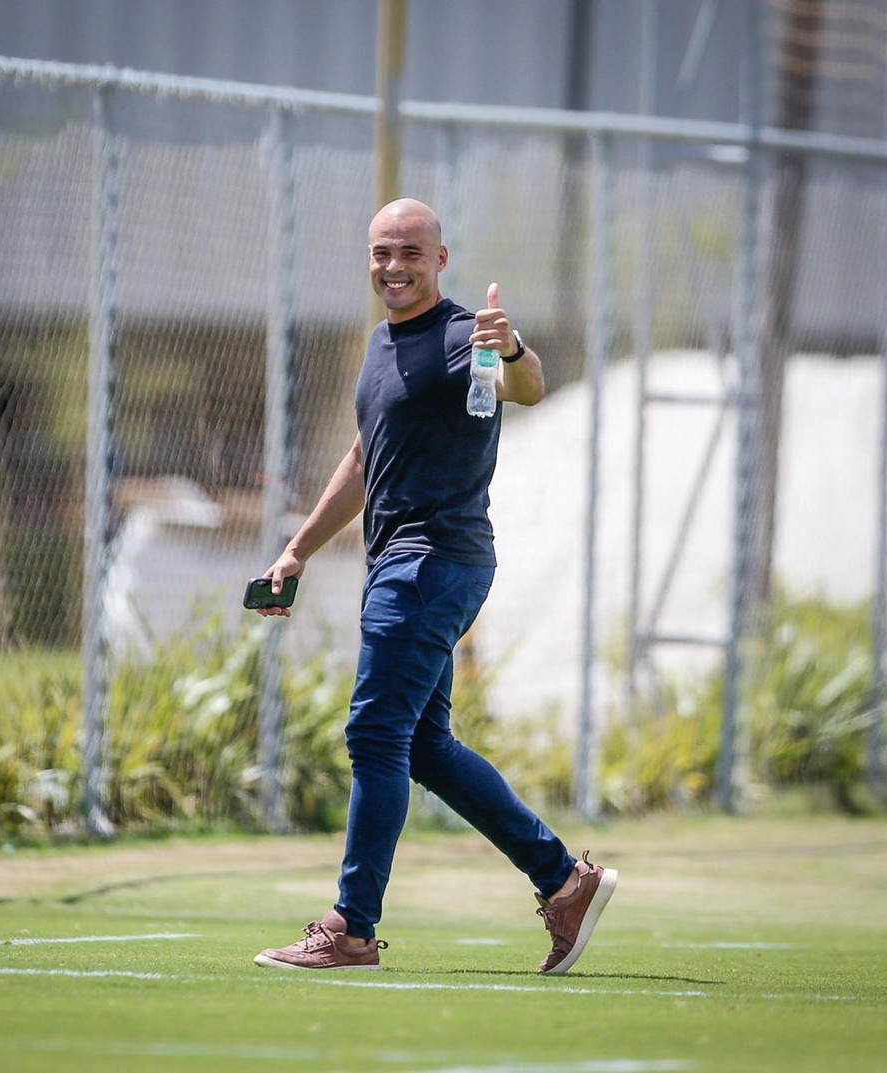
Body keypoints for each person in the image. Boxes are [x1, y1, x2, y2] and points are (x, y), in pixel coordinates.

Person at [251, 198, 616, 974]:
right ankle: (564, 880)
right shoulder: (383, 344)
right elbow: (362, 461)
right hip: (401, 564)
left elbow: (531, 388)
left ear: (440, 261)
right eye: (382, 252)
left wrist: (511, 347)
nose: (394, 266)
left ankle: (352, 926)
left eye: (411, 253)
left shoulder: (462, 337)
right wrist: (297, 550)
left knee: (375, 735)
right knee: (422, 744)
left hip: (432, 561)